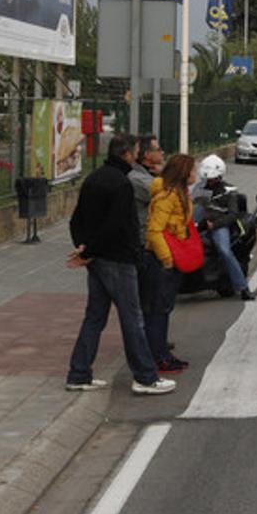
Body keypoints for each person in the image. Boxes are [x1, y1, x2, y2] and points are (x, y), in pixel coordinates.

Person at [65, 134, 174, 396]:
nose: (138, 154)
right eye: (136, 150)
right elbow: (117, 225)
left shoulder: (94, 177)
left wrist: (84, 248)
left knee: (95, 317)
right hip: (118, 260)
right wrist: (90, 250)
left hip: (97, 259)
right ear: (127, 153)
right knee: (132, 318)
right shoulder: (121, 184)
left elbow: (76, 219)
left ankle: (79, 374)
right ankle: (145, 377)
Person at [145, 153, 197, 375]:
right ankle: (158, 358)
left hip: (170, 258)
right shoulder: (167, 197)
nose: (197, 174)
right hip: (161, 261)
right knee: (158, 310)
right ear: (184, 173)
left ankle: (162, 354)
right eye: (193, 170)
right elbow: (154, 230)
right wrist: (167, 259)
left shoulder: (180, 194)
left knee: (164, 309)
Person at [191, 154, 252, 301]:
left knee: (225, 250)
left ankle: (243, 288)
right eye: (207, 178)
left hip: (219, 225)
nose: (209, 181)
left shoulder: (229, 190)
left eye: (212, 178)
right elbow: (192, 208)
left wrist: (214, 224)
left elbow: (233, 215)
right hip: (199, 223)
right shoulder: (198, 188)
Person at [128, 135, 165, 332]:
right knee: (149, 299)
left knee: (154, 298)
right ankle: (148, 342)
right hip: (145, 245)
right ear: (146, 156)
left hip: (151, 243)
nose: (162, 152)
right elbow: (168, 194)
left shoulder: (148, 175)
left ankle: (154, 339)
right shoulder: (138, 179)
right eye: (158, 149)